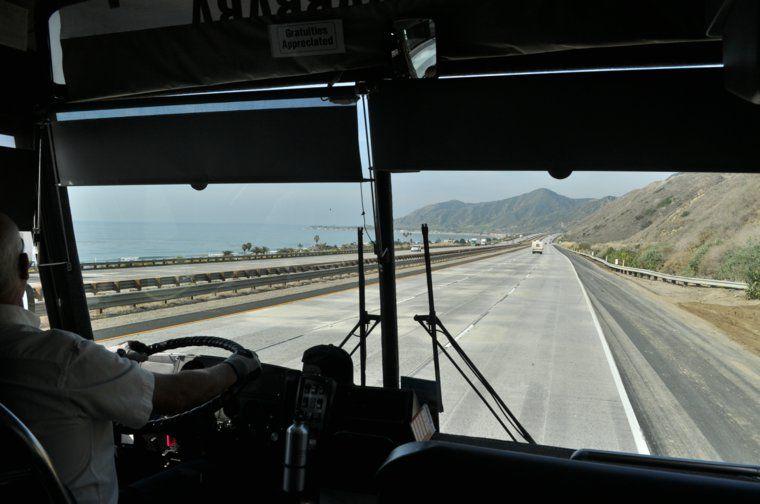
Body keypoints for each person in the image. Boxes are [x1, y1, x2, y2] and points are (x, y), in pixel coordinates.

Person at [0, 213, 260, 504]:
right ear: (24, 267)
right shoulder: (63, 357)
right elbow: (178, 395)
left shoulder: (68, 361)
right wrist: (238, 366)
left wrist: (115, 357)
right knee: (206, 472)